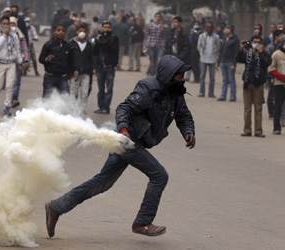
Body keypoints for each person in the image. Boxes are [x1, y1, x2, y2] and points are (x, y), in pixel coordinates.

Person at [45, 55, 196, 238]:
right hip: (129, 141)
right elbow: (124, 108)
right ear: (169, 75)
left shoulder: (176, 93)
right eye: (179, 75)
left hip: (137, 139)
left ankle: (56, 207)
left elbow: (183, 115)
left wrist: (188, 131)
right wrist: (123, 129)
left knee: (102, 182)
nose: (183, 78)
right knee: (159, 176)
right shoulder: (148, 87)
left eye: (183, 75)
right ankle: (142, 222)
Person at [237, 35, 270, 137]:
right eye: (254, 41)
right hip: (248, 83)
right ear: (251, 42)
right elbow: (239, 59)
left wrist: (260, 53)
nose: (256, 43)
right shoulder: (248, 53)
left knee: (258, 109)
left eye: (258, 42)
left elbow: (267, 63)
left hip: (258, 84)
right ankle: (247, 130)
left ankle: (258, 131)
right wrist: (241, 48)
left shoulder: (264, 53)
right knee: (247, 108)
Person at [0, 16, 23, 117]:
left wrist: (19, 63)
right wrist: (4, 35)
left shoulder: (14, 35)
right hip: (0, 63)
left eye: (7, 24)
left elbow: (17, 49)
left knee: (9, 86)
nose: (6, 26)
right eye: (3, 23)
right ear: (0, 24)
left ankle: (7, 107)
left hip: (11, 63)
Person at [93, 20, 119, 114]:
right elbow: (95, 53)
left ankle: (106, 107)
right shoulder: (99, 38)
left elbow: (114, 50)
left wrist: (105, 42)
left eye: (108, 27)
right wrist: (97, 41)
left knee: (109, 89)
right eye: (105, 27)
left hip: (109, 67)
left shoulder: (114, 38)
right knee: (100, 89)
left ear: (110, 28)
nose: (106, 29)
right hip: (100, 67)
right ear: (102, 28)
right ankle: (101, 107)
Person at [39, 23, 71, 98]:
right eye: (58, 30)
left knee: (66, 98)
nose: (60, 32)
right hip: (50, 76)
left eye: (62, 31)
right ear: (54, 32)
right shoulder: (48, 44)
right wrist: (47, 59)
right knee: (46, 99)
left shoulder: (67, 45)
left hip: (63, 78)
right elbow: (41, 59)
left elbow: (70, 61)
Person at [68, 23, 93, 114]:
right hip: (74, 73)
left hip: (86, 73)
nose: (82, 33)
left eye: (84, 31)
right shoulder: (71, 44)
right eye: (80, 31)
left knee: (84, 94)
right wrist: (71, 71)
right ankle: (72, 110)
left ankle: (81, 111)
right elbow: (68, 59)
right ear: (76, 31)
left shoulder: (89, 45)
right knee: (73, 92)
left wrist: (92, 71)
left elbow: (91, 59)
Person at [10, 16, 29, 108]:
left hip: (18, 61)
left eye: (13, 24)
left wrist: (26, 60)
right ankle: (8, 99)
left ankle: (14, 98)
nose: (12, 25)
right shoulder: (4, 35)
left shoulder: (20, 35)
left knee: (17, 81)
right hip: (8, 62)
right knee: (9, 82)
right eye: (10, 24)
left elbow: (24, 48)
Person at [197, 22, 220, 98]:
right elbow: (198, 46)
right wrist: (201, 53)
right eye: (207, 27)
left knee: (212, 77)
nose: (209, 29)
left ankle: (211, 93)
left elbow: (218, 47)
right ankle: (202, 92)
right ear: (205, 28)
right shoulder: (201, 36)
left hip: (212, 59)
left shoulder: (216, 37)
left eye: (210, 27)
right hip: (203, 58)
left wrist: (215, 53)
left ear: (213, 28)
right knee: (202, 76)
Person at [217, 24, 239, 102]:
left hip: (230, 61)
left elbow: (236, 53)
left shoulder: (235, 39)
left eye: (228, 29)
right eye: (225, 28)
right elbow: (221, 51)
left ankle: (233, 96)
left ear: (231, 30)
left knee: (231, 79)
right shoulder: (223, 39)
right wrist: (218, 63)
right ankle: (223, 95)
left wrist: (234, 64)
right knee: (224, 80)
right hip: (223, 61)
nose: (226, 30)